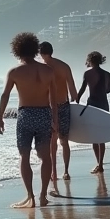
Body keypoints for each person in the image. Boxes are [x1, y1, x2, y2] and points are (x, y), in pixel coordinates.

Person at [0, 32, 58, 208]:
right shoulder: (48, 71)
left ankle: (30, 197)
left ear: (17, 51)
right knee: (45, 157)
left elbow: (5, 95)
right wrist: (55, 120)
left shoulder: (15, 72)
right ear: (35, 49)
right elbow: (53, 100)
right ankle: (43, 196)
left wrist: (0, 118)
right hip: (44, 114)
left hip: (25, 115)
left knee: (24, 155)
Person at [38, 41, 77, 182]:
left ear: (40, 53)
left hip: (47, 108)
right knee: (64, 141)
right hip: (64, 105)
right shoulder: (64, 66)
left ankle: (52, 172)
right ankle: (66, 171)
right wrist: (77, 104)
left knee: (51, 142)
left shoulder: (42, 68)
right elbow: (72, 88)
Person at [76, 51, 110, 174]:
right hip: (104, 105)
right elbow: (109, 90)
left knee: (94, 136)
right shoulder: (107, 74)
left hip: (92, 105)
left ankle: (98, 164)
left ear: (90, 60)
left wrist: (76, 101)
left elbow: (82, 89)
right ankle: (101, 164)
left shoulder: (87, 73)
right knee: (101, 136)